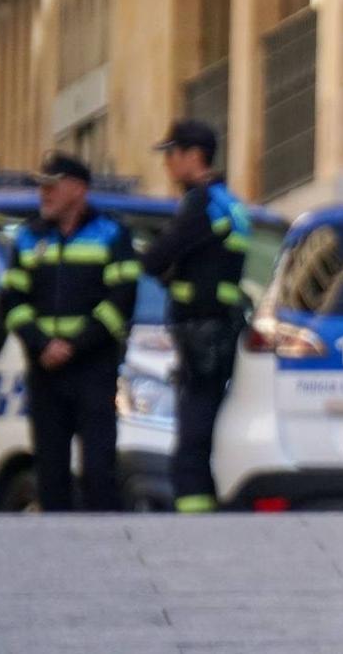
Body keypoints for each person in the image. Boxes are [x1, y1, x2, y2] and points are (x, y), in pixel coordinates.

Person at [0, 154, 138, 511]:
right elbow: (12, 300)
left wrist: (75, 345)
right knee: (50, 469)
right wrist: (41, 343)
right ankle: (56, 548)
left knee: (97, 467)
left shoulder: (111, 233)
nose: (43, 193)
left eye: (52, 184)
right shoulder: (30, 237)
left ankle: (107, 544)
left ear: (78, 189)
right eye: (41, 185)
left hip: (93, 368)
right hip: (45, 369)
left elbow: (120, 301)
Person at [142, 120, 250, 513]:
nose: (167, 164)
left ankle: (194, 521)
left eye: (171, 154)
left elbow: (157, 257)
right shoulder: (230, 202)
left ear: (193, 155)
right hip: (220, 329)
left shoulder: (202, 203)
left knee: (191, 440)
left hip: (202, 332)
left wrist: (165, 267)